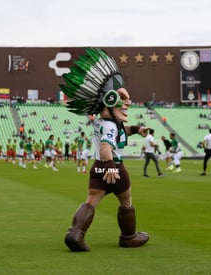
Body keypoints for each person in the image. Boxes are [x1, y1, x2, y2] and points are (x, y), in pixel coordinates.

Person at [61, 48, 149, 252]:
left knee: (91, 200)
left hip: (98, 168)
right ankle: (128, 237)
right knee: (126, 201)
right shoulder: (110, 125)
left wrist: (137, 129)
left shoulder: (103, 123)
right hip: (113, 167)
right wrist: (111, 167)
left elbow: (121, 131)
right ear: (109, 100)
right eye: (123, 98)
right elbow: (105, 147)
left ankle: (76, 233)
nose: (128, 102)